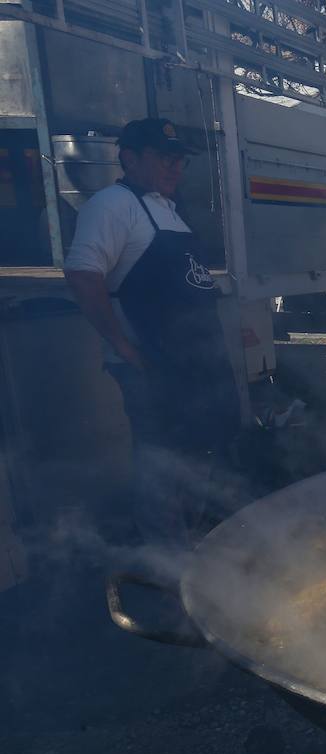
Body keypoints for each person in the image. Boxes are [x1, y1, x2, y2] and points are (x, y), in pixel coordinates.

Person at [64, 117, 241, 548]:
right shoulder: (112, 204)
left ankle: (202, 544)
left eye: (179, 159)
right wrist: (122, 345)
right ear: (129, 158)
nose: (175, 166)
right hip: (155, 367)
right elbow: (83, 275)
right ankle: (166, 560)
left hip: (198, 363)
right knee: (162, 462)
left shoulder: (168, 208)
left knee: (204, 455)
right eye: (165, 158)